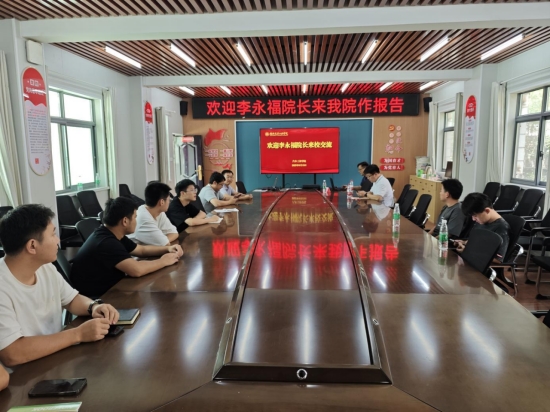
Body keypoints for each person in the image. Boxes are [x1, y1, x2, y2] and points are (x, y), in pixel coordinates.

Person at [0, 205, 120, 368]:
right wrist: (78, 334)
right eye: (53, 234)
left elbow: (72, 299)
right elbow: (13, 354)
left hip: (55, 359)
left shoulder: (45, 267)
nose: (58, 240)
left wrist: (93, 306)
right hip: (23, 374)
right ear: (32, 246)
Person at [71, 197, 183, 298]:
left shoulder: (112, 233)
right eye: (135, 217)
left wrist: (167, 249)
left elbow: (141, 250)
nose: (136, 221)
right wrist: (163, 261)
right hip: (98, 297)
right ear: (125, 221)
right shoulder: (106, 242)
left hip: (111, 286)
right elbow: (136, 270)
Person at [455, 192, 510, 262]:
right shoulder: (482, 221)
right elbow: (479, 242)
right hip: (471, 260)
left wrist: (467, 252)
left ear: (487, 211)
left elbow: (498, 259)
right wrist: (464, 242)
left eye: (475, 215)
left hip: (479, 266)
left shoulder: (501, 228)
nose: (473, 219)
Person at [129, 182, 178, 246]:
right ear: (162, 202)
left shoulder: (159, 212)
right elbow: (165, 244)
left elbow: (174, 233)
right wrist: (163, 241)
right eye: (169, 200)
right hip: (132, 252)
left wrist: (163, 240)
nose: (169, 202)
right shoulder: (144, 219)